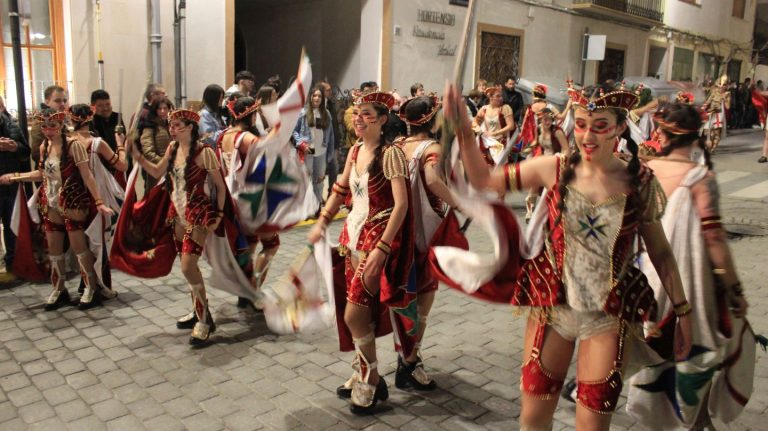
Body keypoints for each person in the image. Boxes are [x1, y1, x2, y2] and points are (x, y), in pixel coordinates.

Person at [435, 82, 692, 430]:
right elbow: (483, 181)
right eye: (582, 124)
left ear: (619, 127)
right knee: (534, 419)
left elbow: (660, 252)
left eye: (600, 126)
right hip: (552, 308)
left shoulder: (639, 180)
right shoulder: (553, 167)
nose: (587, 136)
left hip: (608, 315)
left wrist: (683, 311)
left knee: (593, 424)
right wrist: (464, 130)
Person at [627, 102, 752, 430]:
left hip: (651, 281)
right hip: (692, 287)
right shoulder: (700, 177)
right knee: (693, 361)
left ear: (663, 134)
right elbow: (715, 242)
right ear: (695, 137)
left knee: (655, 356)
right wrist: (734, 288)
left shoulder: (646, 170)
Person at [308, 91, 413, 414]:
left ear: (382, 120)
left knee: (354, 314)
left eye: (366, 114)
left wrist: (383, 247)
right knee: (358, 312)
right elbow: (341, 189)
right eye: (356, 113)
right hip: (351, 236)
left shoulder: (391, 154)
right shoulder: (355, 150)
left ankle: (371, 378)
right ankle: (364, 371)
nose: (358, 119)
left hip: (375, 239)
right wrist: (323, 221)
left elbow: (402, 204)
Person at [1, 108, 121, 310]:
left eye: (53, 126)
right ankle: (59, 288)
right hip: (51, 201)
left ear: (61, 125)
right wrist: (15, 176)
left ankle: (91, 288)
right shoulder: (44, 146)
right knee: (54, 249)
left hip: (74, 201)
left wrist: (99, 201)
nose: (48, 130)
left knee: (79, 248)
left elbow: (87, 175)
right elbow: (42, 174)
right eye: (45, 126)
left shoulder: (74, 145)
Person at [130, 108, 227, 345]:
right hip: (177, 212)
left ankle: (204, 320)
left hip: (198, 213)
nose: (171, 129)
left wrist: (220, 214)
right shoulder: (173, 149)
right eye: (170, 125)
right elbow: (157, 171)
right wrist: (138, 156)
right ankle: (198, 311)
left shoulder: (205, 153)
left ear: (190, 128)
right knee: (188, 269)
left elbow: (221, 187)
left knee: (187, 266)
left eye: (177, 126)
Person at [392, 95, 462, 391]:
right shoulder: (430, 148)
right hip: (423, 233)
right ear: (431, 121)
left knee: (403, 299)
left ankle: (406, 357)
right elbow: (433, 181)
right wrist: (460, 203)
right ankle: (410, 361)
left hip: (396, 233)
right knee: (422, 301)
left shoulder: (394, 147)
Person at [219, 96, 280, 308]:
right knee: (271, 244)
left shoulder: (223, 136)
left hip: (233, 197)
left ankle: (244, 291)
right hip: (251, 198)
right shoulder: (246, 139)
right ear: (250, 115)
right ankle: (253, 291)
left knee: (250, 244)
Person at [0, 96, 30, 280]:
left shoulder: (12, 125)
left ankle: (13, 266)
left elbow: (25, 152)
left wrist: (13, 147)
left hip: (10, 184)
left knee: (12, 226)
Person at [293, 86, 335, 209]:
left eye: (319, 96)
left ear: (323, 98)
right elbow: (294, 131)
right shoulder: (303, 112)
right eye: (314, 95)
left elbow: (331, 135)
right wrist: (301, 144)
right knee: (306, 179)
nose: (317, 98)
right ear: (310, 97)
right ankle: (305, 208)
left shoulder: (326, 113)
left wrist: (331, 153)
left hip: (321, 150)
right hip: (308, 149)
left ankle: (316, 206)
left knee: (320, 179)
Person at [523, 108, 567, 221]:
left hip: (556, 162)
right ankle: (530, 212)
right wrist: (528, 148)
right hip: (543, 161)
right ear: (540, 120)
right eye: (544, 119)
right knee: (534, 183)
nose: (547, 122)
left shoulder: (557, 131)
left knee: (553, 189)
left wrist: (559, 159)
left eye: (549, 119)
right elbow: (537, 142)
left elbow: (566, 149)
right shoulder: (539, 129)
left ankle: (555, 212)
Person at [90, 90, 127, 187]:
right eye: (100, 105)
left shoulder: (117, 118)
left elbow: (124, 141)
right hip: (102, 170)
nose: (105, 108)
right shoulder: (91, 123)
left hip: (120, 165)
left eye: (108, 104)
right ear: (92, 107)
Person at [472, 86, 515, 165]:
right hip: (487, 141)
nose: (501, 98)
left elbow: (511, 126)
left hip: (501, 142)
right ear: (490, 97)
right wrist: (480, 131)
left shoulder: (504, 108)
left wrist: (495, 133)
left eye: (501, 96)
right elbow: (474, 122)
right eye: (498, 96)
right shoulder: (484, 109)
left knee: (500, 167)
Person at [139, 97, 174, 191]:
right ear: (155, 110)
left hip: (174, 172)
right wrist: (165, 164)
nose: (163, 111)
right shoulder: (150, 126)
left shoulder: (173, 125)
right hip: (157, 172)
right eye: (159, 109)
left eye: (165, 108)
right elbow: (148, 152)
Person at [31, 85, 69, 164]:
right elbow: (36, 153)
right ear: (47, 101)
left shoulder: (61, 119)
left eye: (65, 101)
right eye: (57, 101)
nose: (62, 104)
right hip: (49, 168)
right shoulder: (40, 121)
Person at [319, 81, 342, 200]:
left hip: (332, 143)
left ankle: (331, 193)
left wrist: (337, 144)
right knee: (320, 171)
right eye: (327, 90)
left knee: (334, 168)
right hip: (321, 144)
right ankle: (318, 196)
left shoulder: (332, 105)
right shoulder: (317, 105)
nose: (330, 92)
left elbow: (335, 126)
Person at [702, 76, 731, 154]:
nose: (722, 86)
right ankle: (708, 145)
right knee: (707, 130)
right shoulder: (714, 91)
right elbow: (708, 101)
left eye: (724, 85)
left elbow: (728, 107)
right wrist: (703, 107)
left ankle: (713, 148)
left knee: (717, 132)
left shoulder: (727, 94)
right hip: (711, 112)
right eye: (721, 84)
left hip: (719, 114)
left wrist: (724, 98)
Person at [198, 84, 226, 148]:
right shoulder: (204, 115)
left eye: (222, 97)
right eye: (220, 97)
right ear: (213, 98)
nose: (222, 100)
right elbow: (208, 138)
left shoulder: (215, 113)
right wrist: (226, 132)